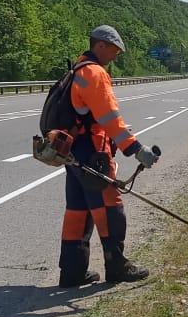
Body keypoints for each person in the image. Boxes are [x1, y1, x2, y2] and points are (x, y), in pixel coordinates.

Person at [51, 25, 159, 287]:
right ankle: (117, 267)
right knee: (110, 208)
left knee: (78, 211)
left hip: (74, 154)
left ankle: (72, 272)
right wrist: (136, 149)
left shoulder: (77, 69)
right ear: (100, 45)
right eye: (114, 50)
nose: (116, 56)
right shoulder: (94, 73)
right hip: (93, 154)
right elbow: (109, 118)